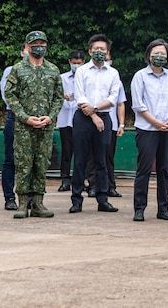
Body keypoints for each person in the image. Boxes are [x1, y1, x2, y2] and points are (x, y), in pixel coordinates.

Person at [3, 31, 63, 219]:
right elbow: (10, 95)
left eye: (42, 44)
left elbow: (58, 97)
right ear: (27, 47)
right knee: (23, 163)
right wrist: (24, 117)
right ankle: (22, 203)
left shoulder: (53, 70)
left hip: (45, 126)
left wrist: (50, 117)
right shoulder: (18, 69)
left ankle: (38, 203)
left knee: (41, 163)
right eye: (35, 44)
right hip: (24, 126)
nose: (39, 47)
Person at [131, 39, 168, 222]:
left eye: (162, 54)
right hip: (147, 129)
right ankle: (139, 208)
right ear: (148, 55)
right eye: (155, 53)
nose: (159, 56)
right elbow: (138, 104)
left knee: (164, 170)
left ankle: (163, 208)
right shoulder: (140, 76)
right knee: (144, 169)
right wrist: (156, 123)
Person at [70, 33, 120, 213]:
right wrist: (93, 115)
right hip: (83, 118)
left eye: (103, 49)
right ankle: (76, 200)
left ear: (108, 52)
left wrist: (96, 109)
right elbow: (80, 96)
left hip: (104, 117)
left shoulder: (113, 73)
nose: (99, 51)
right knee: (80, 160)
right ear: (90, 51)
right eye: (96, 48)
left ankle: (102, 199)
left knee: (102, 160)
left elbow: (113, 98)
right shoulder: (82, 71)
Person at [0, 47, 26, 210]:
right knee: (10, 159)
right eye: (29, 47)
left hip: (37, 119)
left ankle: (31, 198)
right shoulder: (11, 70)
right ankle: (9, 197)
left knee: (34, 160)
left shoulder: (46, 70)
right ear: (22, 52)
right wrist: (24, 114)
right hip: (15, 117)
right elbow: (6, 95)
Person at [56, 50, 85, 192]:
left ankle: (81, 180)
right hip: (66, 118)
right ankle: (65, 180)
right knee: (66, 151)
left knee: (82, 152)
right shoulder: (62, 78)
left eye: (79, 63)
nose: (76, 65)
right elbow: (55, 94)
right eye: (74, 63)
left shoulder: (86, 77)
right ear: (69, 62)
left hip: (82, 118)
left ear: (83, 62)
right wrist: (63, 96)